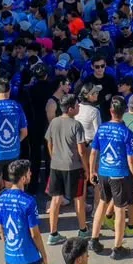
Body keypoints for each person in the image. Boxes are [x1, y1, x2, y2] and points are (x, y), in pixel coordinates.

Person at [91, 96, 133, 258]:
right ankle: (117, 247)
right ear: (124, 111)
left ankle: (94, 239)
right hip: (119, 174)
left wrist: (92, 170)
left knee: (102, 203)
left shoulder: (102, 128)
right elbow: (131, 159)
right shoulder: (126, 132)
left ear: (110, 111)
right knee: (120, 209)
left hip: (103, 171)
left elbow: (94, 151)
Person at [0, 159, 46, 264]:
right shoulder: (28, 201)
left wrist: (8, 247)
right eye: (29, 172)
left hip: (11, 257)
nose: (31, 174)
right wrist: (43, 255)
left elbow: (0, 228)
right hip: (28, 258)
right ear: (23, 178)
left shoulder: (1, 199)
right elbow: (35, 234)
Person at [0, 79, 30, 235]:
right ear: (8, 92)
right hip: (13, 153)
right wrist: (15, 142)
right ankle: (14, 219)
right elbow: (24, 132)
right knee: (12, 186)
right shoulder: (17, 106)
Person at [44, 94, 89, 244]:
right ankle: (83, 230)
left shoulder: (54, 122)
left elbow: (49, 142)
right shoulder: (76, 125)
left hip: (56, 166)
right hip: (73, 167)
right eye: (76, 105)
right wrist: (86, 168)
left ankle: (53, 233)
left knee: (55, 199)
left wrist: (53, 157)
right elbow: (81, 150)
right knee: (78, 199)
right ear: (70, 109)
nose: (78, 107)